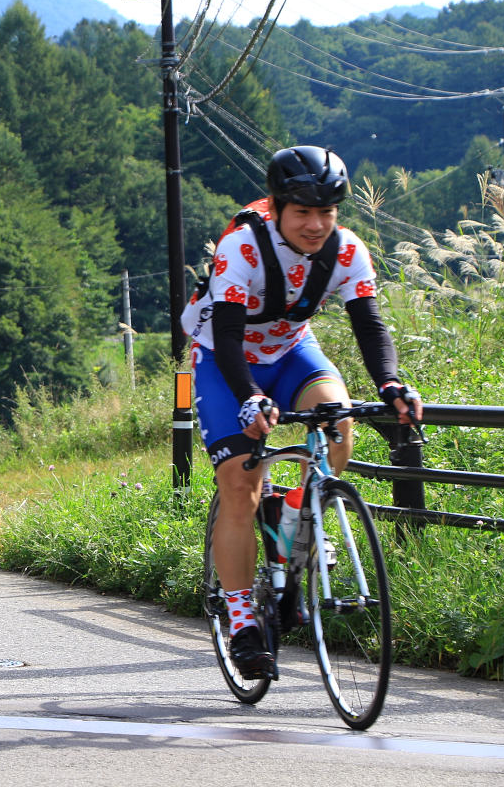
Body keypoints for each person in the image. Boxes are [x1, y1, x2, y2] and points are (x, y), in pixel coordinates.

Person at [180, 146, 423, 679]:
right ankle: (242, 617)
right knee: (240, 484)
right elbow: (225, 336)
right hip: (227, 360)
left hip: (292, 352)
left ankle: (296, 514)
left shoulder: (347, 251)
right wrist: (248, 396)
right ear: (278, 206)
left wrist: (390, 383)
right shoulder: (242, 245)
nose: (316, 225)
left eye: (327, 213)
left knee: (338, 422)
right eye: (303, 213)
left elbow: (370, 324)